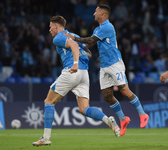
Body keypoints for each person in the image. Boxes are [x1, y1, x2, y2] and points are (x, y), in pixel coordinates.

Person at [32, 15, 120, 147]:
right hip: (84, 74)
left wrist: (75, 63)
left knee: (48, 101)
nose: (49, 30)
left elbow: (72, 45)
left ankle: (46, 137)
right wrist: (79, 59)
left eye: (50, 27)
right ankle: (108, 120)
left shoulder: (59, 37)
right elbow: (88, 53)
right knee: (84, 109)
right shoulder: (73, 34)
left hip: (72, 71)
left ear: (56, 26)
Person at [64, 4, 149, 136]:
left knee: (124, 89)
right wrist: (76, 46)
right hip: (104, 66)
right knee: (107, 96)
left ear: (102, 14)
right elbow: (89, 43)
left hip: (115, 63)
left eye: (96, 11)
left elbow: (91, 41)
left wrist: (74, 38)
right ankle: (123, 119)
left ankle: (143, 115)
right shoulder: (98, 29)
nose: (93, 14)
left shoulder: (107, 27)